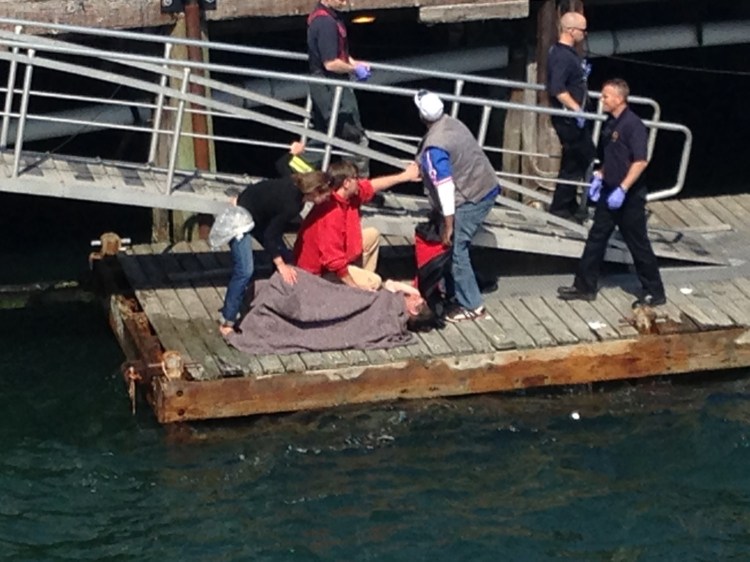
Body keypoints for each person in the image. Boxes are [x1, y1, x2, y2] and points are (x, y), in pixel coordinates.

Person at [557, 78, 666, 306]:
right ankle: (584, 286)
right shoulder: (611, 123)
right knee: (596, 237)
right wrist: (602, 174)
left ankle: (654, 291)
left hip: (628, 195)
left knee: (638, 243)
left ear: (619, 98)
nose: (601, 99)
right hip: (609, 190)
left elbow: (640, 161)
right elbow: (613, 156)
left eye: (606, 96)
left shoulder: (632, 125)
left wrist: (624, 188)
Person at [414, 90, 500, 323]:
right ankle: (456, 290)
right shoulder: (453, 123)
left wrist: (449, 224)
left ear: (422, 116)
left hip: (469, 197)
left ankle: (472, 305)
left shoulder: (434, 146)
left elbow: (445, 187)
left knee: (456, 249)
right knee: (457, 247)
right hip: (485, 186)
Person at [217, 166, 333, 336]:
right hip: (240, 217)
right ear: (315, 192)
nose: (327, 198)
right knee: (245, 270)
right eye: (326, 195)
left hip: (258, 216)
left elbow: (282, 162)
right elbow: (270, 236)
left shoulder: (295, 181)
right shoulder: (292, 205)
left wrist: (295, 152)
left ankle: (273, 303)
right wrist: (280, 265)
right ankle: (227, 320)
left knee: (288, 258)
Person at [224, 268, 426, 355]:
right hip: (346, 297)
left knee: (316, 316)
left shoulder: (391, 311)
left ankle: (271, 308)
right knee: (318, 294)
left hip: (355, 304)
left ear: (414, 311)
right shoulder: (392, 306)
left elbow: (388, 289)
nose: (414, 295)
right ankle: (274, 297)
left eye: (417, 299)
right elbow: (391, 286)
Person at [294, 159, 421, 291]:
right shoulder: (331, 213)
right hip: (318, 273)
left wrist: (404, 176)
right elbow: (332, 260)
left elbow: (371, 186)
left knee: (372, 234)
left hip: (339, 257)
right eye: (356, 178)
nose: (359, 181)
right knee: (375, 281)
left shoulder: (349, 196)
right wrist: (355, 287)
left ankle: (361, 278)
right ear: (347, 183)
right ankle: (358, 292)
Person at [307, 0, 370, 169]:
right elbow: (330, 63)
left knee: (324, 134)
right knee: (352, 136)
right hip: (330, 86)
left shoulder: (331, 17)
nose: (346, 1)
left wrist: (355, 64)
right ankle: (357, 184)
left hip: (328, 84)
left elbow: (339, 54)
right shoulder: (325, 22)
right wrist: (353, 70)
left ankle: (301, 174)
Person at [546, 11, 596, 222]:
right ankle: (560, 206)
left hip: (572, 116)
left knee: (578, 157)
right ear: (571, 31)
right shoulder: (561, 56)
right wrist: (577, 109)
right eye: (583, 31)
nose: (585, 35)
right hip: (567, 118)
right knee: (580, 156)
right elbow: (557, 88)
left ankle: (568, 202)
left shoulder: (568, 54)